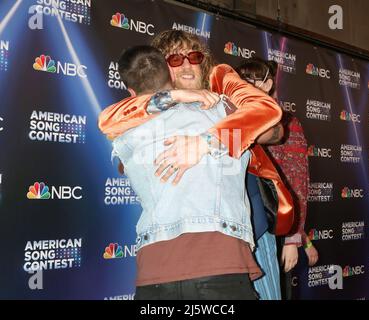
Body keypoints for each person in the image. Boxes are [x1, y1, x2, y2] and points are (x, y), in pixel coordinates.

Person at [98, 30, 294, 299]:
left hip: (250, 225)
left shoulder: (220, 86)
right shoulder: (146, 111)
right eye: (176, 59)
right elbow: (109, 119)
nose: (188, 64)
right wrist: (175, 98)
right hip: (205, 250)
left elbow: (273, 125)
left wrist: (208, 140)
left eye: (194, 55)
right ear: (162, 66)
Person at [236, 57, 319, 299]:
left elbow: (298, 182)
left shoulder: (286, 122)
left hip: (275, 225)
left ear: (267, 84)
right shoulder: (233, 120)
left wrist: (293, 239)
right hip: (240, 224)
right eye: (242, 80)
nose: (245, 85)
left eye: (252, 80)